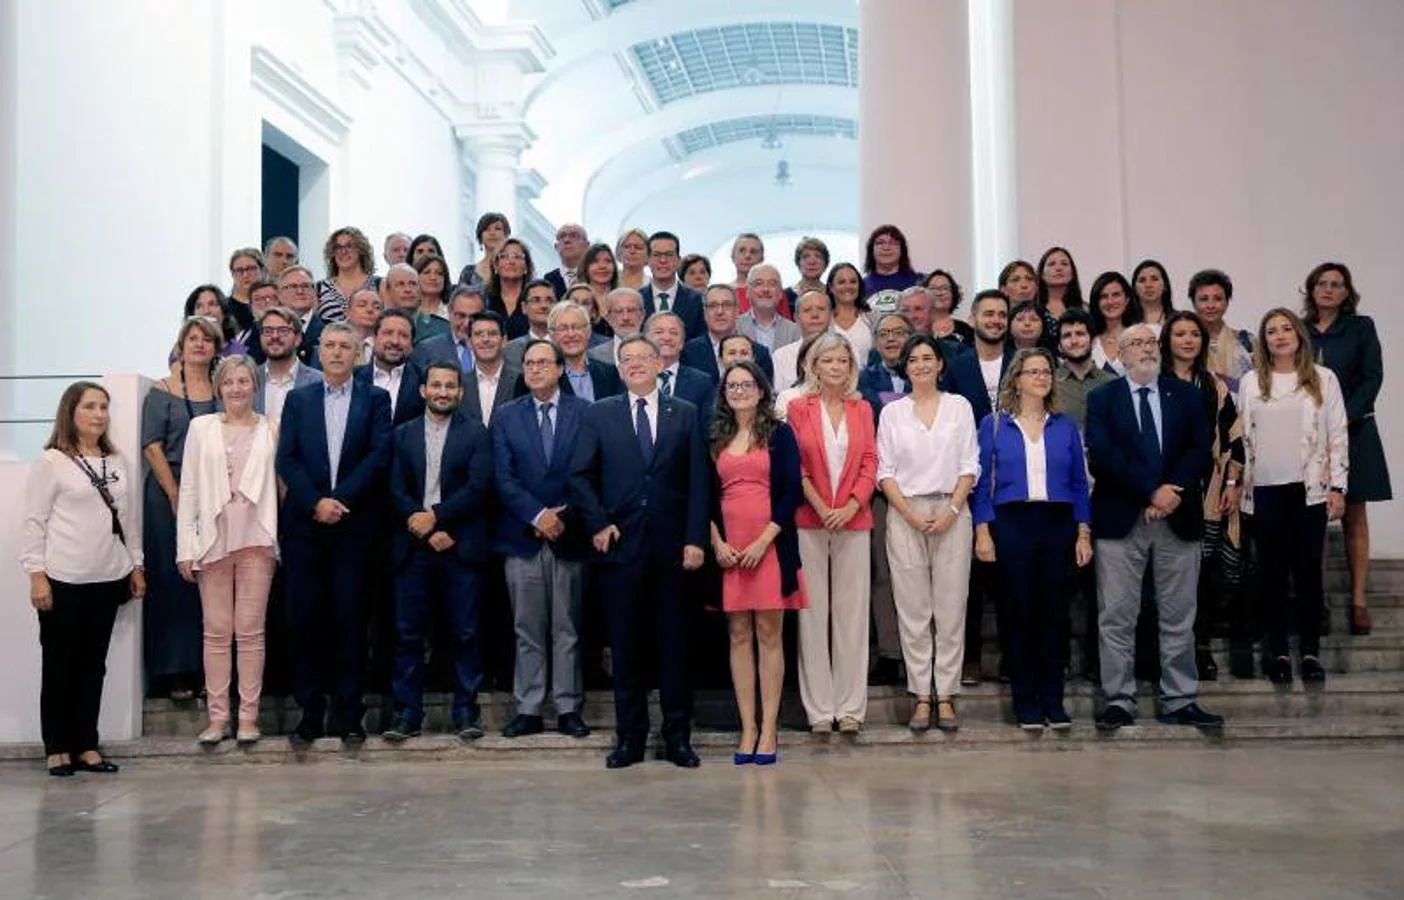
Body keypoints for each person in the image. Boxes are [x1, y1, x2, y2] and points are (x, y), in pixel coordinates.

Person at [569, 334, 709, 769]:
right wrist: (598, 522)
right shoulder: (600, 414)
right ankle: (629, 737)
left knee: (674, 647)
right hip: (620, 549)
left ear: (658, 362)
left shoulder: (684, 414)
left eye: (641, 358)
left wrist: (694, 539)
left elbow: (699, 483)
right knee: (626, 649)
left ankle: (677, 735)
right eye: (625, 359)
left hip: (672, 550)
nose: (634, 365)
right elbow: (579, 476)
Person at [1086, 325, 1222, 731]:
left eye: (1150, 342)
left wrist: (1171, 491)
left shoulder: (1186, 395)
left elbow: (1201, 447)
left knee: (1179, 613)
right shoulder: (1102, 397)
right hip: (1121, 517)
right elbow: (1103, 455)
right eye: (1136, 344)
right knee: (1116, 614)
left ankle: (1180, 698)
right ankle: (1118, 699)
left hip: (1178, 516)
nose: (1146, 349)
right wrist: (1151, 492)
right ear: (1120, 354)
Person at [276, 322, 392, 747]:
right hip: (306, 528)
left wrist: (339, 499)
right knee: (305, 621)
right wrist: (315, 503)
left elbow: (379, 456)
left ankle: (349, 712)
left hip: (355, 527)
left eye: (346, 346)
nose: (339, 352)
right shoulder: (298, 399)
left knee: (351, 620)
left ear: (357, 354)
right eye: (331, 345)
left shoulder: (375, 399)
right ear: (317, 352)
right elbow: (286, 458)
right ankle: (310, 711)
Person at [22, 382, 145, 777]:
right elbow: (34, 522)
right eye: (90, 406)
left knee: (94, 666)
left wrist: (136, 565)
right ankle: (57, 747)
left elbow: (127, 520)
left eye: (104, 407)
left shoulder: (115, 461)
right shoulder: (52, 461)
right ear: (71, 412)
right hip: (63, 577)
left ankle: (87, 744)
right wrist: (36, 575)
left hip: (108, 576)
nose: (99, 414)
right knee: (60, 665)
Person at [973, 348, 1092, 729]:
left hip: (1057, 523)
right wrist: (983, 531)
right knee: (1018, 613)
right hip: (1012, 522)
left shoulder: (1066, 425)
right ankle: (1025, 701)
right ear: (1016, 379)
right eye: (1033, 372)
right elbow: (981, 487)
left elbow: (1079, 484)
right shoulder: (993, 425)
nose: (1042, 378)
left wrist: (1083, 531)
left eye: (1046, 372)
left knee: (1054, 615)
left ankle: (1053, 701)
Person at [380, 362, 493, 742]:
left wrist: (441, 522)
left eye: (450, 386)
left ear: (460, 393)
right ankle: (406, 714)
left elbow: (479, 488)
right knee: (408, 635)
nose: (443, 392)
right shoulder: (402, 435)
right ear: (423, 391)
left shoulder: (476, 433)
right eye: (436, 385)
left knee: (465, 632)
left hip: (459, 547)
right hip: (413, 548)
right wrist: (422, 524)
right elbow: (394, 488)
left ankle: (466, 713)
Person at [1239, 308, 1348, 686]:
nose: (1280, 335)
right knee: (1271, 574)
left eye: (1287, 328)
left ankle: (1311, 652)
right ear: (1263, 340)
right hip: (1265, 490)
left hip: (1309, 491)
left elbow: (1337, 434)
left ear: (1299, 335)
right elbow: (1243, 441)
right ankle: (1279, 652)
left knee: (1307, 574)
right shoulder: (1251, 382)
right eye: (1271, 331)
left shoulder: (1323, 379)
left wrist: (1338, 486)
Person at [175, 356, 279, 746]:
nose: (236, 388)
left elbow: (278, 485)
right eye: (229, 382)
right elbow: (188, 490)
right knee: (216, 632)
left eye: (244, 381)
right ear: (218, 387)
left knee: (250, 633)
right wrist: (185, 548)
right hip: (212, 542)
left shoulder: (271, 428)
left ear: (255, 385)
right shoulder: (200, 428)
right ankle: (218, 719)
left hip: (257, 540)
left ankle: (249, 718)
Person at [877, 335, 979, 732]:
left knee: (951, 608)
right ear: (905, 367)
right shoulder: (892, 413)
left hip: (953, 510)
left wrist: (953, 509)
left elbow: (970, 463)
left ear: (940, 365)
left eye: (927, 358)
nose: (920, 365)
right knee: (914, 610)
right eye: (913, 359)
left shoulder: (959, 407)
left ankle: (947, 696)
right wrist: (908, 514)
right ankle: (922, 695)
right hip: (905, 513)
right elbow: (884, 471)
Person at [493, 340, 593, 739]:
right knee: (527, 626)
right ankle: (530, 707)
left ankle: (568, 706)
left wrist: (559, 516)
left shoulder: (585, 414)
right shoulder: (506, 416)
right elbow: (503, 476)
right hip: (522, 535)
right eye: (529, 363)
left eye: (543, 363)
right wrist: (536, 515)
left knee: (567, 626)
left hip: (570, 534)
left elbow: (587, 471)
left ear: (560, 369)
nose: (534, 369)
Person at [710, 360, 805, 764]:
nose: (740, 390)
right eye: (732, 385)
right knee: (738, 635)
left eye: (747, 384)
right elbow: (705, 495)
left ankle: (769, 728)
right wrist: (716, 541)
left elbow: (791, 493)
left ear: (762, 390)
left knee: (769, 633)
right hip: (729, 549)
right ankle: (747, 726)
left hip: (769, 545)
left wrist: (765, 540)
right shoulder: (714, 435)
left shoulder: (780, 433)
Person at [789, 335, 877, 733]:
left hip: (854, 520)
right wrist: (824, 508)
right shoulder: (797, 407)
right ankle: (820, 710)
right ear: (815, 366)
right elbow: (796, 466)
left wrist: (851, 506)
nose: (836, 366)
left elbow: (871, 462)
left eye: (843, 360)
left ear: (851, 367)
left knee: (852, 616)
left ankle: (851, 708)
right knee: (813, 615)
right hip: (811, 518)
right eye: (828, 360)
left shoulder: (862, 409)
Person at [1304, 262, 1390, 635]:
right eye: (1322, 283)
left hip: (1354, 430)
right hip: (1308, 436)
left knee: (1355, 514)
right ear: (1311, 289)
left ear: (1346, 292)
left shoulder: (1360, 327)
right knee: (1314, 518)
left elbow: (1372, 377)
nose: (1328, 289)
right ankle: (1316, 601)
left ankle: (1358, 602)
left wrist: (1340, 418)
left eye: (1336, 284)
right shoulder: (1300, 330)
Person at [1161, 310, 1244, 680]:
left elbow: (1234, 437)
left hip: (1207, 492)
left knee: (1202, 575)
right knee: (1163, 578)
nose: (1188, 340)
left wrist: (1230, 483)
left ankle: (1201, 648)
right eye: (1180, 334)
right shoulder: (1153, 382)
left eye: (1194, 334)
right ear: (1168, 340)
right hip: (1163, 492)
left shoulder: (1214, 386)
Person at [143, 317, 221, 700]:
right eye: (193, 338)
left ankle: (209, 669)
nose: (199, 345)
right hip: (169, 492)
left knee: (208, 580)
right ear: (181, 344)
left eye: (207, 339)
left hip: (213, 490)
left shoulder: (224, 390)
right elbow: (152, 446)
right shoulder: (162, 391)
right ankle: (174, 671)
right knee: (172, 580)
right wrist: (176, 495)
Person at [857, 313, 914, 685]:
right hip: (881, 490)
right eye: (884, 334)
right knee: (882, 573)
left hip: (927, 490)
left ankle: (921, 650)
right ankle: (891, 653)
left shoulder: (928, 372)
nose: (892, 339)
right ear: (875, 341)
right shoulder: (863, 380)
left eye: (899, 333)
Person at [680, 284, 776, 383]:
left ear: (737, 311)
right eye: (713, 305)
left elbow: (765, 394)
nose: (720, 312)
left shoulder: (759, 353)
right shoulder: (688, 352)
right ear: (704, 313)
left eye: (726, 305)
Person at [253, 307, 324, 425]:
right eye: (268, 331)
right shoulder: (248, 380)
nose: (274, 336)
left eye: (283, 331)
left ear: (298, 339)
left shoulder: (319, 382)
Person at [355, 308, 423, 427]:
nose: (395, 341)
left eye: (403, 335)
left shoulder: (423, 381)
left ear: (412, 344)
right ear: (374, 338)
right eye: (388, 333)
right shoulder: (353, 377)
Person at [1189, 268, 1253, 390]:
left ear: (1227, 302)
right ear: (1193, 303)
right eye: (1204, 299)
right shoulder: (1184, 343)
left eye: (1217, 299)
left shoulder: (1246, 341)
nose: (1211, 306)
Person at [549, 301, 623, 402]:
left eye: (577, 327)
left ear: (588, 332)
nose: (571, 334)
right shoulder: (546, 375)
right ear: (552, 335)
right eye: (563, 328)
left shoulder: (609, 372)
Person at [1054, 309, 1113, 432]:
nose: (1074, 341)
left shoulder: (1112, 383)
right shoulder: (1049, 384)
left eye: (1080, 334)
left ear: (1093, 340)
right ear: (1059, 346)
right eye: (1067, 336)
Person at [645, 312, 715, 415]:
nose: (667, 338)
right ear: (646, 340)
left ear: (682, 343)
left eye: (674, 333)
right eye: (659, 332)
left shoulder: (701, 382)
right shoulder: (632, 378)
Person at [459, 311, 521, 425]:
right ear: (469, 342)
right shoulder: (458, 384)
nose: (485, 339)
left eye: (492, 333)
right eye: (478, 334)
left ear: (504, 340)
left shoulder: (521, 380)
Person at [641, 231, 704, 338]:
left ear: (679, 260)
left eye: (669, 255)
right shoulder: (637, 299)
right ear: (648, 260)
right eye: (657, 255)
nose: (663, 260)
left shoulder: (697, 300)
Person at [412, 285, 486, 377]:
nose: (466, 323)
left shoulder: (494, 350)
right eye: (461, 316)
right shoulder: (427, 350)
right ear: (449, 313)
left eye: (474, 317)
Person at [773, 290, 832, 389]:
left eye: (821, 309)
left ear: (831, 315)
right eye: (807, 310)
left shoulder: (847, 352)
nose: (815, 315)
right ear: (796, 318)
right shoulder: (781, 356)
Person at [316, 226, 377, 323]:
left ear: (361, 250)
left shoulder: (379, 284)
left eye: (349, 246)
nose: (343, 251)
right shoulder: (319, 287)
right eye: (338, 247)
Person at [1088, 271, 1142, 375]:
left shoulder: (1140, 338)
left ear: (1127, 299)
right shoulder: (1089, 341)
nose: (1110, 301)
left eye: (1116, 295)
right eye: (1104, 296)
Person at [738, 264, 801, 352]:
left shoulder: (794, 331)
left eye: (772, 284)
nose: (765, 289)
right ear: (748, 292)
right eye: (759, 283)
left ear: (780, 293)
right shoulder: (734, 327)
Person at [275, 265, 325, 365]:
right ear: (279, 295)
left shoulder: (330, 328)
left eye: (305, 286)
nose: (300, 291)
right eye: (293, 286)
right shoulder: (264, 329)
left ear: (314, 292)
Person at [486, 237, 535, 339]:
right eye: (504, 256)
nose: (511, 261)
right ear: (495, 266)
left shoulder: (535, 299)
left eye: (517, 257)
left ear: (526, 266)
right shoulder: (484, 299)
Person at [502, 279, 557, 368]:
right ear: (524, 307)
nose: (544, 305)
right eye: (536, 300)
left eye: (550, 300)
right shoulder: (509, 351)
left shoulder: (567, 344)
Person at [827, 262, 873, 364]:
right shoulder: (823, 321)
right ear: (831, 287)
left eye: (853, 281)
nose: (848, 286)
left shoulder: (872, 317)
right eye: (841, 282)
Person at [588, 287, 647, 366]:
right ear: (608, 318)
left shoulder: (657, 351)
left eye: (631, 310)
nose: (626, 317)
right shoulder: (593, 355)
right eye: (619, 311)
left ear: (642, 315)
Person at [862, 225, 923, 295]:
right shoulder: (861, 286)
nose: (886, 248)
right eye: (880, 243)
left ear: (902, 250)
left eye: (893, 242)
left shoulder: (919, 282)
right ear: (871, 250)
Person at [460, 212, 511, 289]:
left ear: (506, 235)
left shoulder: (513, 267)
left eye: (497, 229)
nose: (492, 233)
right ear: (480, 237)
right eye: (487, 229)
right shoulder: (468, 273)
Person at [578, 243, 621, 333]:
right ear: (586, 267)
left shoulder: (624, 298)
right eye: (595, 261)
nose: (602, 266)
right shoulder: (575, 299)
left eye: (608, 261)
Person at [926, 270, 975, 347]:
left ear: (953, 294)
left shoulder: (967, 330)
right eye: (933, 289)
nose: (939, 293)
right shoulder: (918, 328)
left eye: (945, 288)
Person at [411, 254, 452, 344]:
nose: (433, 277)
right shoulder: (409, 313)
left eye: (439, 273)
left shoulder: (452, 314)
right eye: (426, 272)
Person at [1036, 246, 1084, 319]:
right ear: (1042, 274)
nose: (1058, 268)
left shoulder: (1085, 309)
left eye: (1064, 264)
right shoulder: (1032, 309)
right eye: (1052, 264)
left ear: (1072, 274)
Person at [227, 248, 267, 332]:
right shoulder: (223, 307)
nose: (245, 275)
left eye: (251, 269)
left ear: (262, 270)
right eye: (239, 270)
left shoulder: (274, 304)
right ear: (232, 274)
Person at [543, 223, 588, 297]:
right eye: (562, 237)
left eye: (574, 236)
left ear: (587, 245)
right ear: (556, 247)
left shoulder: (594, 276)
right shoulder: (548, 279)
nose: (567, 240)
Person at [1132, 259, 1173, 332]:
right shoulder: (1126, 321)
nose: (1148, 285)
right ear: (1134, 288)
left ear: (1165, 286)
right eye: (1142, 280)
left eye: (1154, 279)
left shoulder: (1177, 319)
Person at [729, 233, 767, 312]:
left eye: (753, 252)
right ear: (733, 256)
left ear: (761, 259)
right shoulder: (722, 293)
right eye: (742, 251)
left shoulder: (774, 293)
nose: (747, 256)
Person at [787, 236, 830, 306]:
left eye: (818, 256)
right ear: (798, 263)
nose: (812, 261)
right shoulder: (785, 297)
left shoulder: (834, 295)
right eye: (805, 256)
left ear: (825, 264)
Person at [345, 287, 382, 366]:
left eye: (377, 307)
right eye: (362, 305)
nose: (370, 310)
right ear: (348, 312)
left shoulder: (386, 347)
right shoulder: (333, 343)